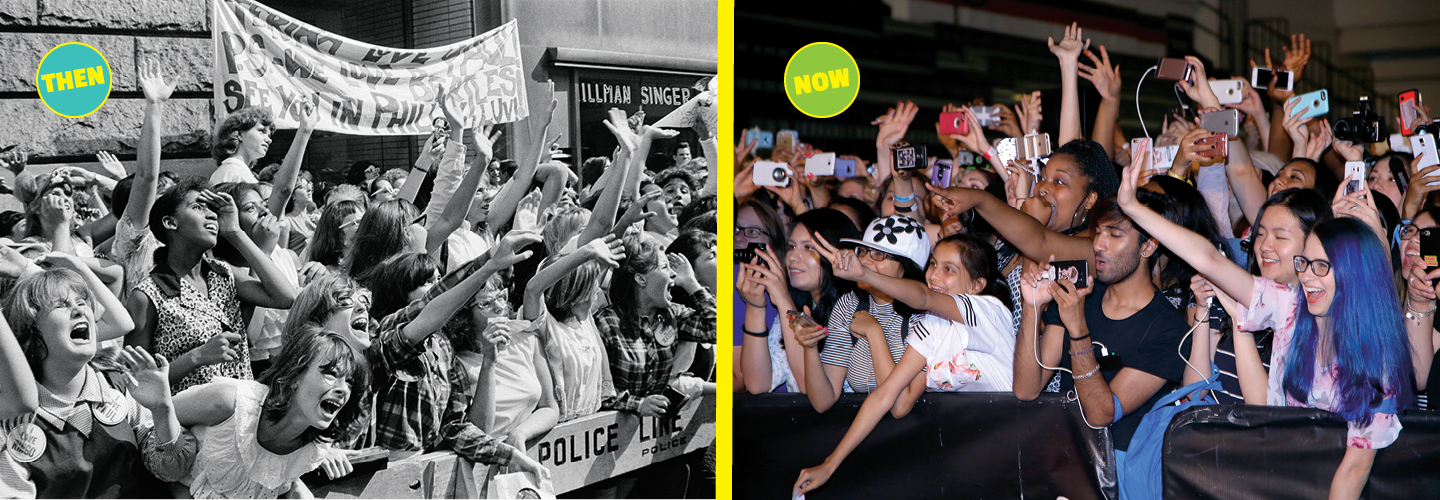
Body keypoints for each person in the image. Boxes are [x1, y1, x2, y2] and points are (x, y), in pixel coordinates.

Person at [1116, 151, 1419, 499]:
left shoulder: (1379, 363)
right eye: (1305, 263)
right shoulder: (1291, 306)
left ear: (1354, 274)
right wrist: (1133, 208)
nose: (1307, 276)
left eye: (1323, 266)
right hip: (1267, 475)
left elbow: (1352, 471)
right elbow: (1209, 259)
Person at [792, 232, 1016, 497]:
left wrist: (863, 274)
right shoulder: (929, 326)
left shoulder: (987, 310)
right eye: (932, 264)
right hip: (973, 449)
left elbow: (923, 297)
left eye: (949, 270)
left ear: (977, 285)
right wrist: (829, 464)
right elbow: (890, 399)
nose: (934, 276)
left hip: (1019, 435)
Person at [1013, 192, 1191, 457]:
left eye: (1114, 234)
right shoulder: (1081, 295)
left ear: (1148, 246)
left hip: (1118, 474)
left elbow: (1100, 414)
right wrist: (1032, 306)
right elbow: (1026, 389)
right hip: (1064, 457)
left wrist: (1078, 330)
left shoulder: (1167, 329)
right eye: (1097, 232)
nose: (1098, 244)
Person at [0, 267, 186, 498]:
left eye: (81, 302)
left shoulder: (118, 383)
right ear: (31, 331)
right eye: (60, 305)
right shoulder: (14, 422)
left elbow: (172, 470)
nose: (79, 310)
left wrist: (162, 411)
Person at [125, 180, 298, 393]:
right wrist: (198, 356)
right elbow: (135, 380)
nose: (212, 215)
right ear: (170, 222)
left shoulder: (223, 273)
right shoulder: (148, 295)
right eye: (198, 207)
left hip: (241, 414)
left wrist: (235, 233)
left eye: (212, 210)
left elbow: (284, 297)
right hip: (189, 422)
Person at [172, 328, 369, 498]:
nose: (343, 389)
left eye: (349, 382)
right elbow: (148, 420)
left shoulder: (312, 451)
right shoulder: (229, 402)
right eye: (331, 374)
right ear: (296, 375)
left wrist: (296, 488)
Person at [803, 215, 930, 412]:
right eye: (863, 251)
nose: (864, 262)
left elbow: (897, 404)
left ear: (905, 268)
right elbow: (823, 401)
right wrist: (810, 346)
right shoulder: (849, 305)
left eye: (879, 255)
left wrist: (874, 331)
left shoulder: (926, 317)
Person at [738, 208, 857, 396]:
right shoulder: (798, 305)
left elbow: (813, 391)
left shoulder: (853, 310)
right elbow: (757, 383)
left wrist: (784, 301)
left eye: (808, 247)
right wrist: (755, 306)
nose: (792, 257)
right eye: (791, 247)